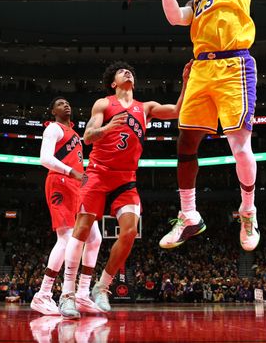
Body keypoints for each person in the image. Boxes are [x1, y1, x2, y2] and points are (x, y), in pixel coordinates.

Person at [147, 0, 259, 252]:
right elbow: (177, 18)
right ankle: (189, 215)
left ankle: (247, 210)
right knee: (184, 145)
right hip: (200, 69)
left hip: (233, 66)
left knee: (238, 145)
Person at [58, 61, 191, 318]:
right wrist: (108, 128)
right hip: (97, 173)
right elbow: (87, 136)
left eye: (130, 71)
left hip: (126, 179)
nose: (127, 72)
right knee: (82, 229)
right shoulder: (104, 104)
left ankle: (102, 286)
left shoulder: (146, 108)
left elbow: (177, 110)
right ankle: (67, 294)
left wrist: (186, 82)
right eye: (121, 72)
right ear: (113, 83)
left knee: (129, 232)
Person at [30, 97, 103, 315]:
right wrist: (72, 172)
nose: (66, 105)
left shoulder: (76, 135)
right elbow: (45, 158)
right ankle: (43, 295)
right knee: (66, 239)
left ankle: (82, 294)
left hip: (78, 186)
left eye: (68, 103)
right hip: (60, 182)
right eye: (60, 104)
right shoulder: (53, 128)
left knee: (94, 238)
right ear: (53, 111)